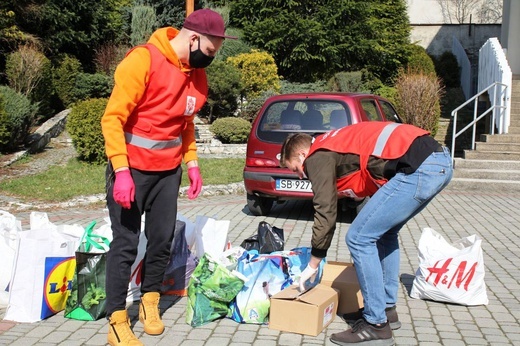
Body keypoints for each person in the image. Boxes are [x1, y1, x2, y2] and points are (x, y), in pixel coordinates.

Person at [100, 9, 236, 346]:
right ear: (193, 39)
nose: (211, 59)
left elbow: (185, 125)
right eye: (210, 51)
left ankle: (150, 302)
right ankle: (117, 319)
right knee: (126, 244)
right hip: (129, 171)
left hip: (167, 173)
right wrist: (121, 172)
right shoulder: (142, 61)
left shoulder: (196, 76)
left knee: (161, 240)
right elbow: (112, 119)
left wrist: (192, 164)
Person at [280, 121, 453, 346]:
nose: (301, 176)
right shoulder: (332, 144)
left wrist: (313, 264)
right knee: (384, 234)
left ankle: (376, 325)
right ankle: (387, 311)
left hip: (420, 168)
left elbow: (325, 210)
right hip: (436, 162)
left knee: (358, 239)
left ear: (303, 154)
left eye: (295, 168)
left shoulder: (317, 156)